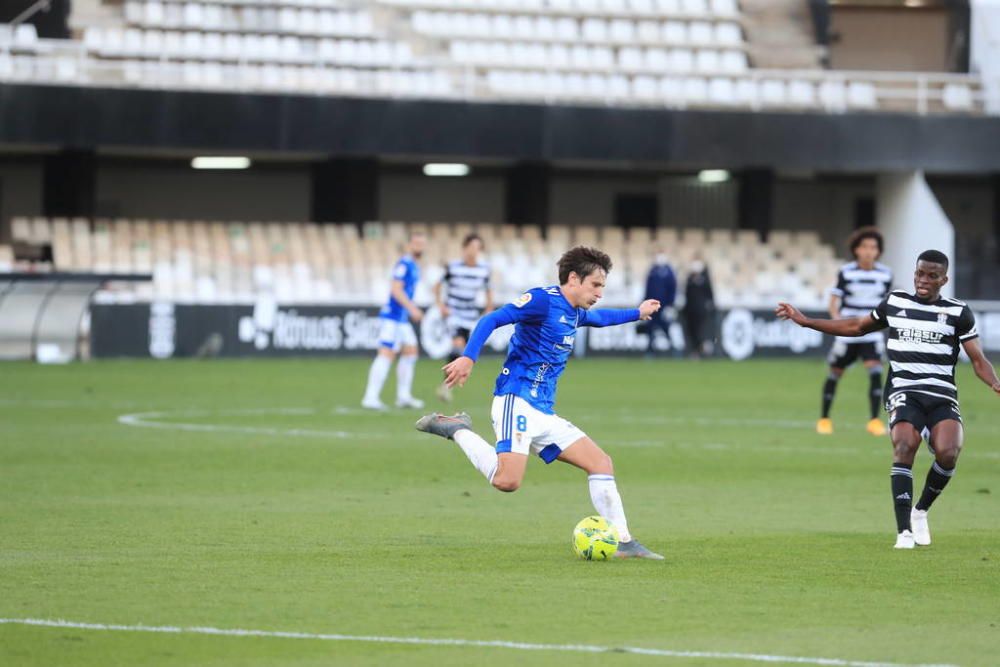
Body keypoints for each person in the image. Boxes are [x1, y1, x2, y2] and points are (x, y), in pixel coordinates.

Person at [415, 246, 665, 559]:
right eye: (596, 285)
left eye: (603, 287)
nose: (600, 293)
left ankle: (624, 542)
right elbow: (492, 319)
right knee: (507, 481)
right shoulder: (542, 300)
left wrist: (637, 313)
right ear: (574, 278)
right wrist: (468, 357)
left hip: (543, 411)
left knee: (601, 463)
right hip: (515, 400)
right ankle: (457, 429)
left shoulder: (574, 312)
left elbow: (600, 319)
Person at [777, 250, 1000, 549]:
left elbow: (977, 359)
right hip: (904, 391)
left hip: (941, 394)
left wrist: (995, 382)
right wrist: (806, 322)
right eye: (920, 273)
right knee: (904, 446)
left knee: (948, 453)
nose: (923, 280)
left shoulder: (959, 313)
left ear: (943, 279)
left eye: (932, 276)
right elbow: (856, 326)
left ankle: (921, 511)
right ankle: (904, 531)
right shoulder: (896, 302)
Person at [818, 227, 893, 437]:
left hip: (872, 331)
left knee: (876, 371)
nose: (869, 251)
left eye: (873, 247)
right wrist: (837, 322)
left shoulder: (885, 274)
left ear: (878, 251)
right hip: (849, 330)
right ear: (856, 250)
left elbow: (887, 302)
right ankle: (824, 419)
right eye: (865, 247)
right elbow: (834, 301)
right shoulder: (846, 271)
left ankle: (874, 421)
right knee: (835, 372)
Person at [361, 232, 427, 410]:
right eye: (416, 243)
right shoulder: (404, 264)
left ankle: (403, 396)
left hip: (402, 320)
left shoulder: (414, 265)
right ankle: (370, 397)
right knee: (386, 354)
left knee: (410, 352)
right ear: (410, 245)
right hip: (393, 318)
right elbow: (396, 290)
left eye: (422, 244)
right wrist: (412, 308)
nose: (419, 247)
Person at [433, 233, 493, 402]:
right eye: (472, 247)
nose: (474, 251)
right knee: (458, 343)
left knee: (461, 352)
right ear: (465, 248)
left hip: (470, 315)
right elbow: (437, 286)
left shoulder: (483, 270)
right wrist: (440, 305)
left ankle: (447, 384)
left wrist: (489, 308)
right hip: (454, 313)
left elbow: (488, 290)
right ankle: (446, 386)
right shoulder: (453, 267)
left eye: (478, 248)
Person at [643, 248, 677, 357]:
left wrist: (670, 305)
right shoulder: (652, 270)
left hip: (663, 305)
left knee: (665, 327)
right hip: (651, 305)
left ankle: (673, 349)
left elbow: (672, 289)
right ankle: (650, 351)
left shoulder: (669, 271)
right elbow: (648, 288)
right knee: (650, 327)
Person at [682, 258, 715, 358]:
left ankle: (702, 349)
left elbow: (710, 294)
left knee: (701, 330)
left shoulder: (705, 279)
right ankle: (695, 350)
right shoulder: (690, 279)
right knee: (692, 331)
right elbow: (687, 294)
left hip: (701, 310)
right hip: (690, 310)